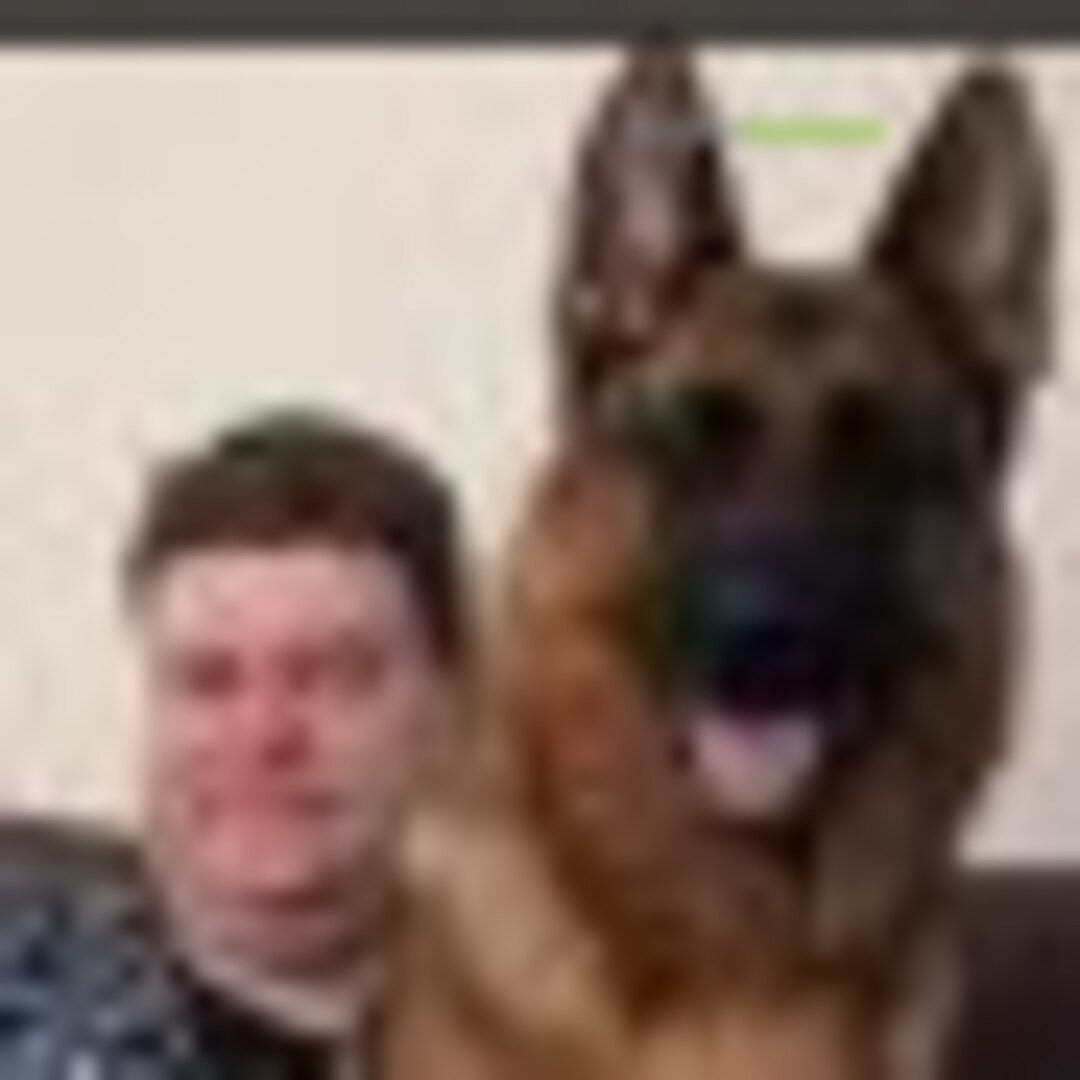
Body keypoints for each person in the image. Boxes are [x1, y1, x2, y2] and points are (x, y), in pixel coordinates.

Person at [0, 407, 468, 1078]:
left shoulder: (568, 1031)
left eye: (331, 677)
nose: (264, 735)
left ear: (449, 706)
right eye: (207, 681)